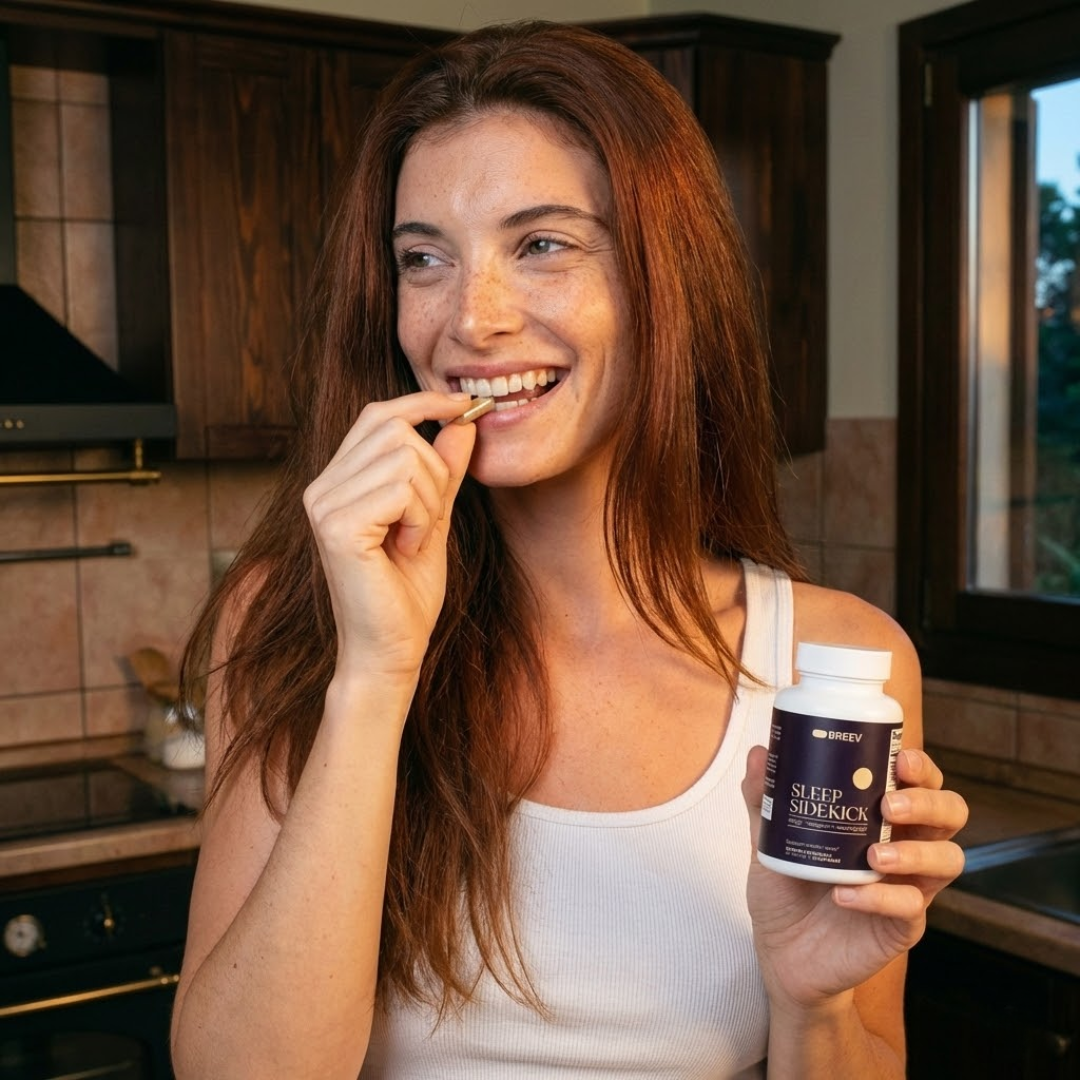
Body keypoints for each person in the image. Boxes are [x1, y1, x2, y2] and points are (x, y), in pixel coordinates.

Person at [169, 20, 968, 1080]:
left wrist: (809, 1002)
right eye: (423, 259)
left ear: (664, 279)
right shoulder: (290, 618)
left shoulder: (837, 673)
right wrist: (373, 676)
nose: (471, 319)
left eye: (541, 244)